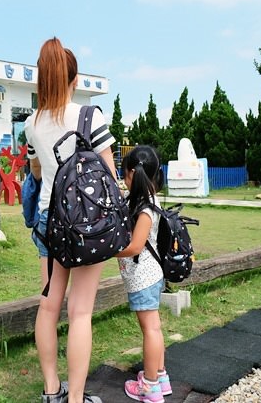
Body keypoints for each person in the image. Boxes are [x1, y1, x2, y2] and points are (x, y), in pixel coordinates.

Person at [25, 37, 116, 403]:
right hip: (84, 224)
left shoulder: (31, 123)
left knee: (49, 306)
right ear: (73, 80)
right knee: (80, 313)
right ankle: (76, 399)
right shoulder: (88, 116)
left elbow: (34, 169)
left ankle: (51, 391)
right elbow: (109, 173)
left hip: (49, 220)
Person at [114, 145, 171, 403]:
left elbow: (136, 246)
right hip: (151, 275)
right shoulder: (148, 199)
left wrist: (108, 251)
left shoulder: (145, 207)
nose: (123, 179)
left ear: (132, 174)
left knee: (150, 330)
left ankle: (149, 387)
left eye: (123, 173)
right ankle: (160, 378)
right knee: (154, 328)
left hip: (143, 277)